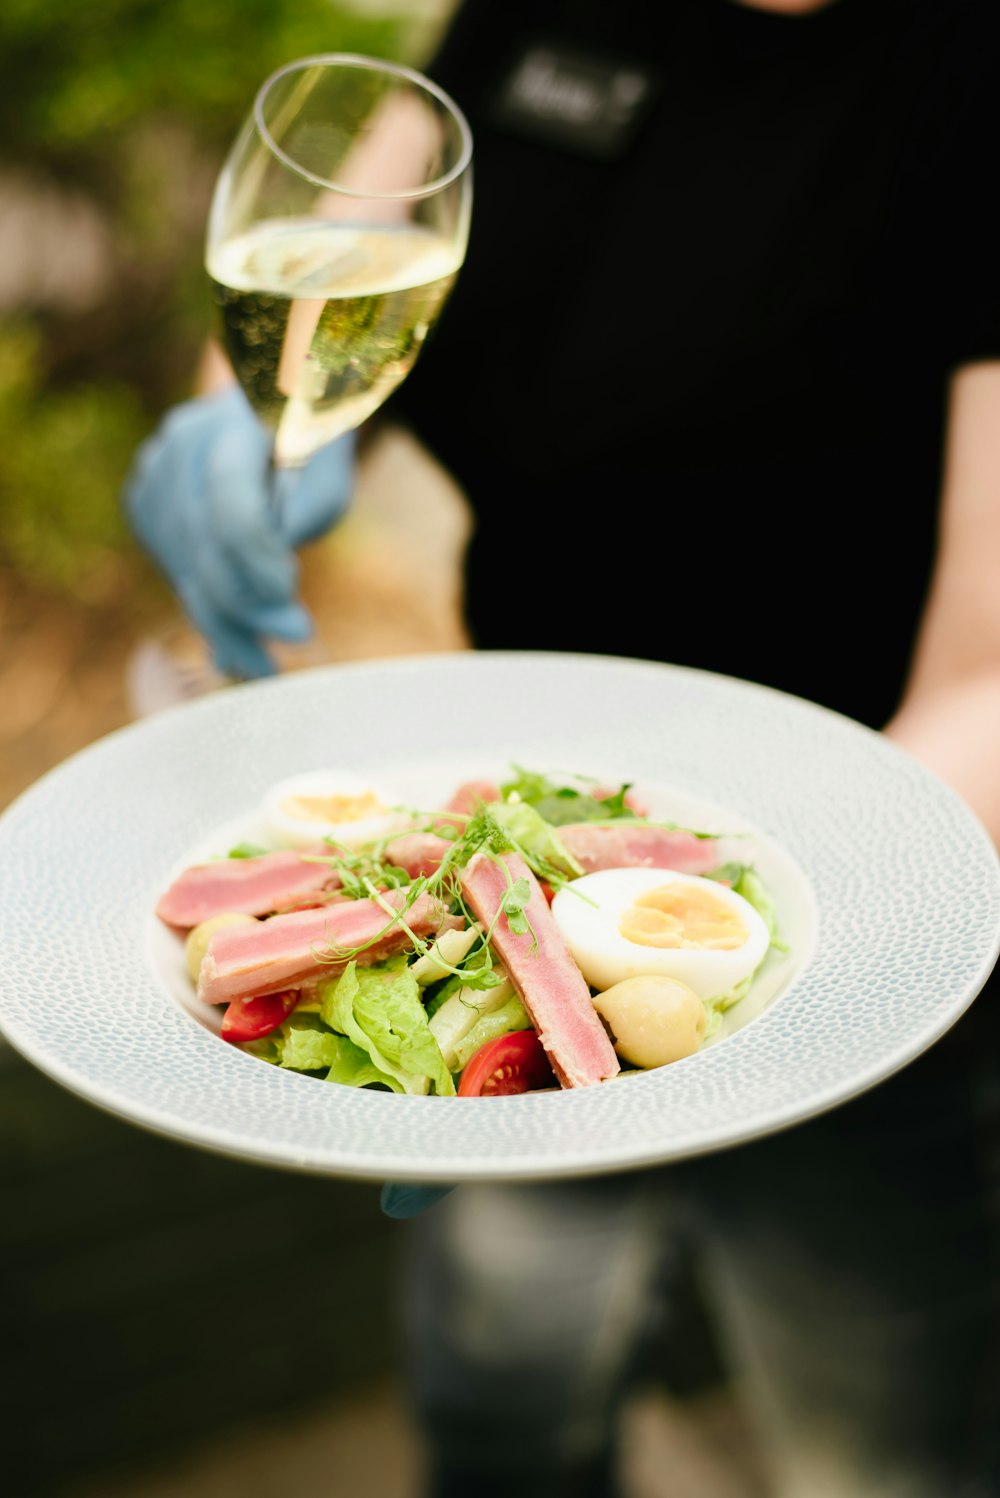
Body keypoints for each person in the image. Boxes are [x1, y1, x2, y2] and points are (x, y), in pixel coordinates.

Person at [124, 1, 1000, 1493]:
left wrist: (774, 980)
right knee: (500, 1416)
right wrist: (248, 430)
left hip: (866, 934)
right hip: (499, 881)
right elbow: (330, 265)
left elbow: (990, 674)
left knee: (884, 1448)